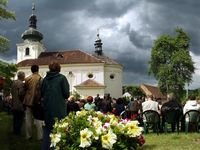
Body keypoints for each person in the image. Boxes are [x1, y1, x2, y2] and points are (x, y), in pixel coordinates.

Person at [41, 62, 70, 150]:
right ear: (59, 69)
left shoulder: (45, 79)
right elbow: (66, 94)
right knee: (59, 130)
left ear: (49, 68)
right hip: (59, 109)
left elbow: (42, 92)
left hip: (47, 108)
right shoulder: (62, 78)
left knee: (48, 129)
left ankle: (46, 148)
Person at [23, 65, 43, 140]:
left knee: (28, 119)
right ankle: (40, 136)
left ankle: (28, 136)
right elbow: (42, 90)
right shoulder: (41, 79)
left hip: (28, 101)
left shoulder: (27, 78)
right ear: (38, 70)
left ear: (31, 70)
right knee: (38, 119)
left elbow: (24, 89)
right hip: (37, 101)